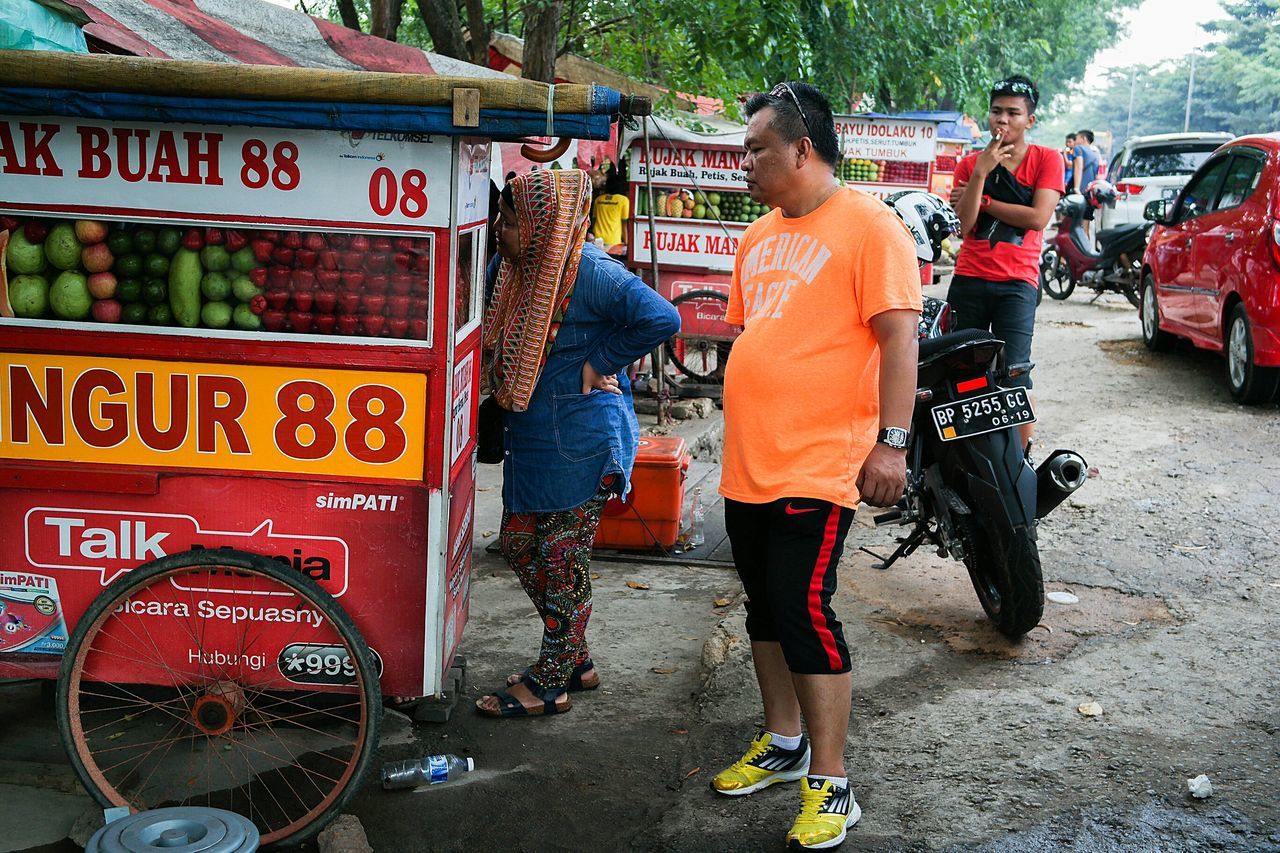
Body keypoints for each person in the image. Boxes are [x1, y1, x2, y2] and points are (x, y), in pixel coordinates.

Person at [709, 81, 921, 850]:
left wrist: (891, 443)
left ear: (802, 149)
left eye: (757, 150)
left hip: (821, 460)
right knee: (765, 607)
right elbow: (758, 336)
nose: (746, 164)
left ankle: (831, 784)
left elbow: (899, 341)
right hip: (750, 459)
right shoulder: (757, 235)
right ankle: (783, 741)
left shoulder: (871, 225)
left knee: (803, 608)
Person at [475, 169, 679, 718]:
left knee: (561, 562)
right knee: (520, 546)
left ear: (544, 225)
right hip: (535, 437)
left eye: (512, 222)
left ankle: (550, 684)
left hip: (582, 440)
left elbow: (661, 317)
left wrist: (599, 361)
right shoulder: (514, 267)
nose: (501, 230)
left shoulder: (590, 271)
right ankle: (575, 660)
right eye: (502, 219)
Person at [949, 75, 1063, 446]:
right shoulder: (969, 165)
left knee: (1016, 375)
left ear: (1030, 120)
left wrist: (981, 200)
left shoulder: (1047, 160)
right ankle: (961, 457)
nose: (1003, 120)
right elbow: (965, 227)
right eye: (997, 111)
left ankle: (1020, 463)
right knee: (961, 372)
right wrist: (982, 171)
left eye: (1013, 113)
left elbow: (1036, 218)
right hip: (969, 278)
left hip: (1018, 283)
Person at [590, 168, 630, 250]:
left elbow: (594, 220)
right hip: (614, 242)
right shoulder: (623, 200)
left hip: (597, 240)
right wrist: (626, 242)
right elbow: (624, 223)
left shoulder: (598, 199)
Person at [1071, 130, 1101, 238]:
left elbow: (1078, 167)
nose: (1075, 141)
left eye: (1077, 138)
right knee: (1085, 226)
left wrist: (1076, 188)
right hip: (1091, 193)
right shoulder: (1096, 154)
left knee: (1074, 225)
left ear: (1083, 139)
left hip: (1081, 192)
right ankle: (1086, 251)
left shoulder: (1079, 149)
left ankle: (1074, 253)